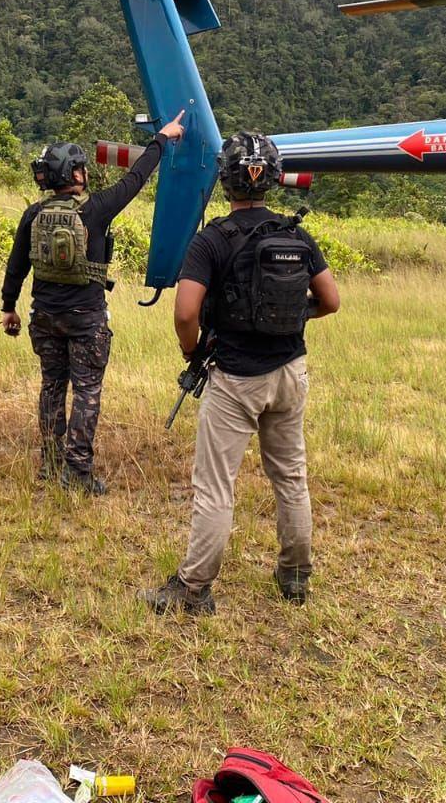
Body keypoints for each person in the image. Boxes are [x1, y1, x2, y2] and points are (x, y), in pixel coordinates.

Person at [142, 131, 340, 615]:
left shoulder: (212, 239)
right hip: (290, 371)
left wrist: (195, 351)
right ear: (271, 179)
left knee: (215, 486)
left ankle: (193, 588)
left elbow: (185, 313)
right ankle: (295, 575)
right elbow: (331, 302)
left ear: (226, 180)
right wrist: (289, 317)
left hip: (235, 378)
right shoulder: (297, 234)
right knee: (291, 476)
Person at [0, 110, 186, 495]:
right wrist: (162, 139)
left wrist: (8, 307)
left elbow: (16, 266)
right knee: (86, 391)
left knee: (52, 386)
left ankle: (50, 468)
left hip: (44, 317)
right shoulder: (95, 210)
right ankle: (79, 473)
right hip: (86, 320)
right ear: (75, 175)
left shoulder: (33, 214)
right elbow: (136, 178)